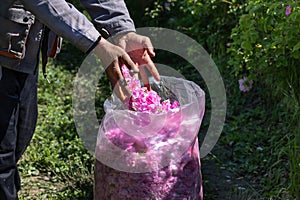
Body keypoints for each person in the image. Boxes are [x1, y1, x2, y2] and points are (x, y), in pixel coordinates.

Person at [0, 0, 160, 199]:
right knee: (2, 156)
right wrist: (97, 44)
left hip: (21, 50)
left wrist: (122, 29)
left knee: (19, 137)